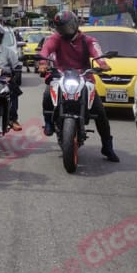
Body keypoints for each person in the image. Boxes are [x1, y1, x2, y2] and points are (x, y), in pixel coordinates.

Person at [39, 11, 119, 162]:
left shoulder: (87, 40)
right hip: (61, 74)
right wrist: (43, 63)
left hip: (83, 76)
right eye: (61, 27)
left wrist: (102, 64)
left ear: (75, 24)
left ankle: (107, 146)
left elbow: (97, 52)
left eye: (67, 26)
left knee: (100, 111)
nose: (65, 30)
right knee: (47, 94)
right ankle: (48, 122)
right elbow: (46, 49)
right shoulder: (56, 38)